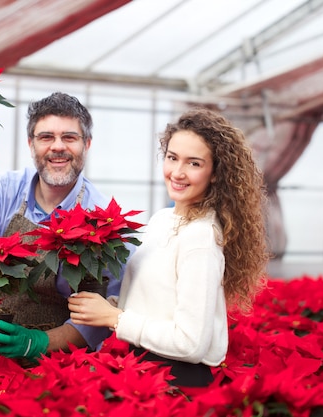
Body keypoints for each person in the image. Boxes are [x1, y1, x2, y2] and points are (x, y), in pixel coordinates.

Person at [67, 107, 270, 388]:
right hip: (144, 369)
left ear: (215, 173)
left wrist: (115, 318)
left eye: (194, 163)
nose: (177, 172)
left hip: (179, 381)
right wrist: (107, 306)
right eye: (172, 158)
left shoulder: (201, 237)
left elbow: (191, 343)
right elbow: (156, 300)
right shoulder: (163, 219)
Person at [0, 92, 123, 362]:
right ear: (30, 144)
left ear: (87, 144)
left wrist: (40, 342)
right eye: (46, 137)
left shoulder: (101, 218)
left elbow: (100, 317)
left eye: (69, 137)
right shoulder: (2, 191)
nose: (57, 146)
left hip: (59, 366)